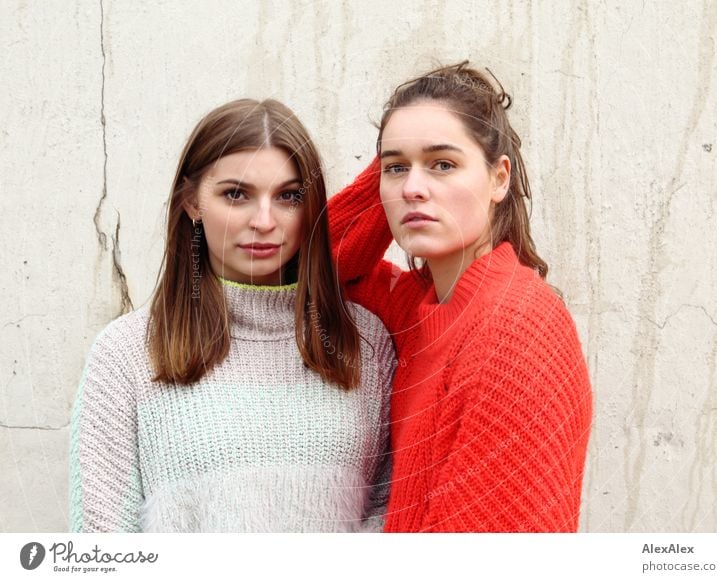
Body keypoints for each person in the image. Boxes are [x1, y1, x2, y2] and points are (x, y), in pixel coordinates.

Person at [69, 99, 395, 532]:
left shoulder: (363, 343)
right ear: (192, 203)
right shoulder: (126, 353)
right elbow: (103, 540)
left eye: (289, 196)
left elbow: (393, 514)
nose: (264, 221)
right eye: (236, 194)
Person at [328, 62, 593, 532]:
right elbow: (317, 266)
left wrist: (405, 155)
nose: (412, 188)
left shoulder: (516, 329)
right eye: (395, 169)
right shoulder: (423, 309)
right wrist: (402, 155)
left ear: (499, 178)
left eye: (443, 164)